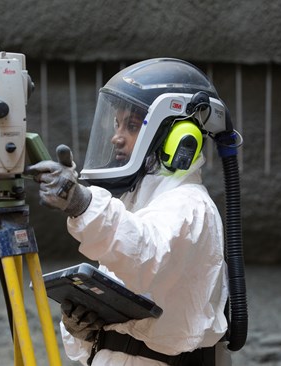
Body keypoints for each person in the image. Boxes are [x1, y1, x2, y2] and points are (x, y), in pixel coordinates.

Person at [27, 58, 231, 366]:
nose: (116, 137)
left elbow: (145, 254)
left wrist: (81, 202)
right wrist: (81, 329)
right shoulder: (138, 205)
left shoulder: (191, 205)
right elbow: (124, 316)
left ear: (180, 138)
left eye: (132, 126)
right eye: (117, 124)